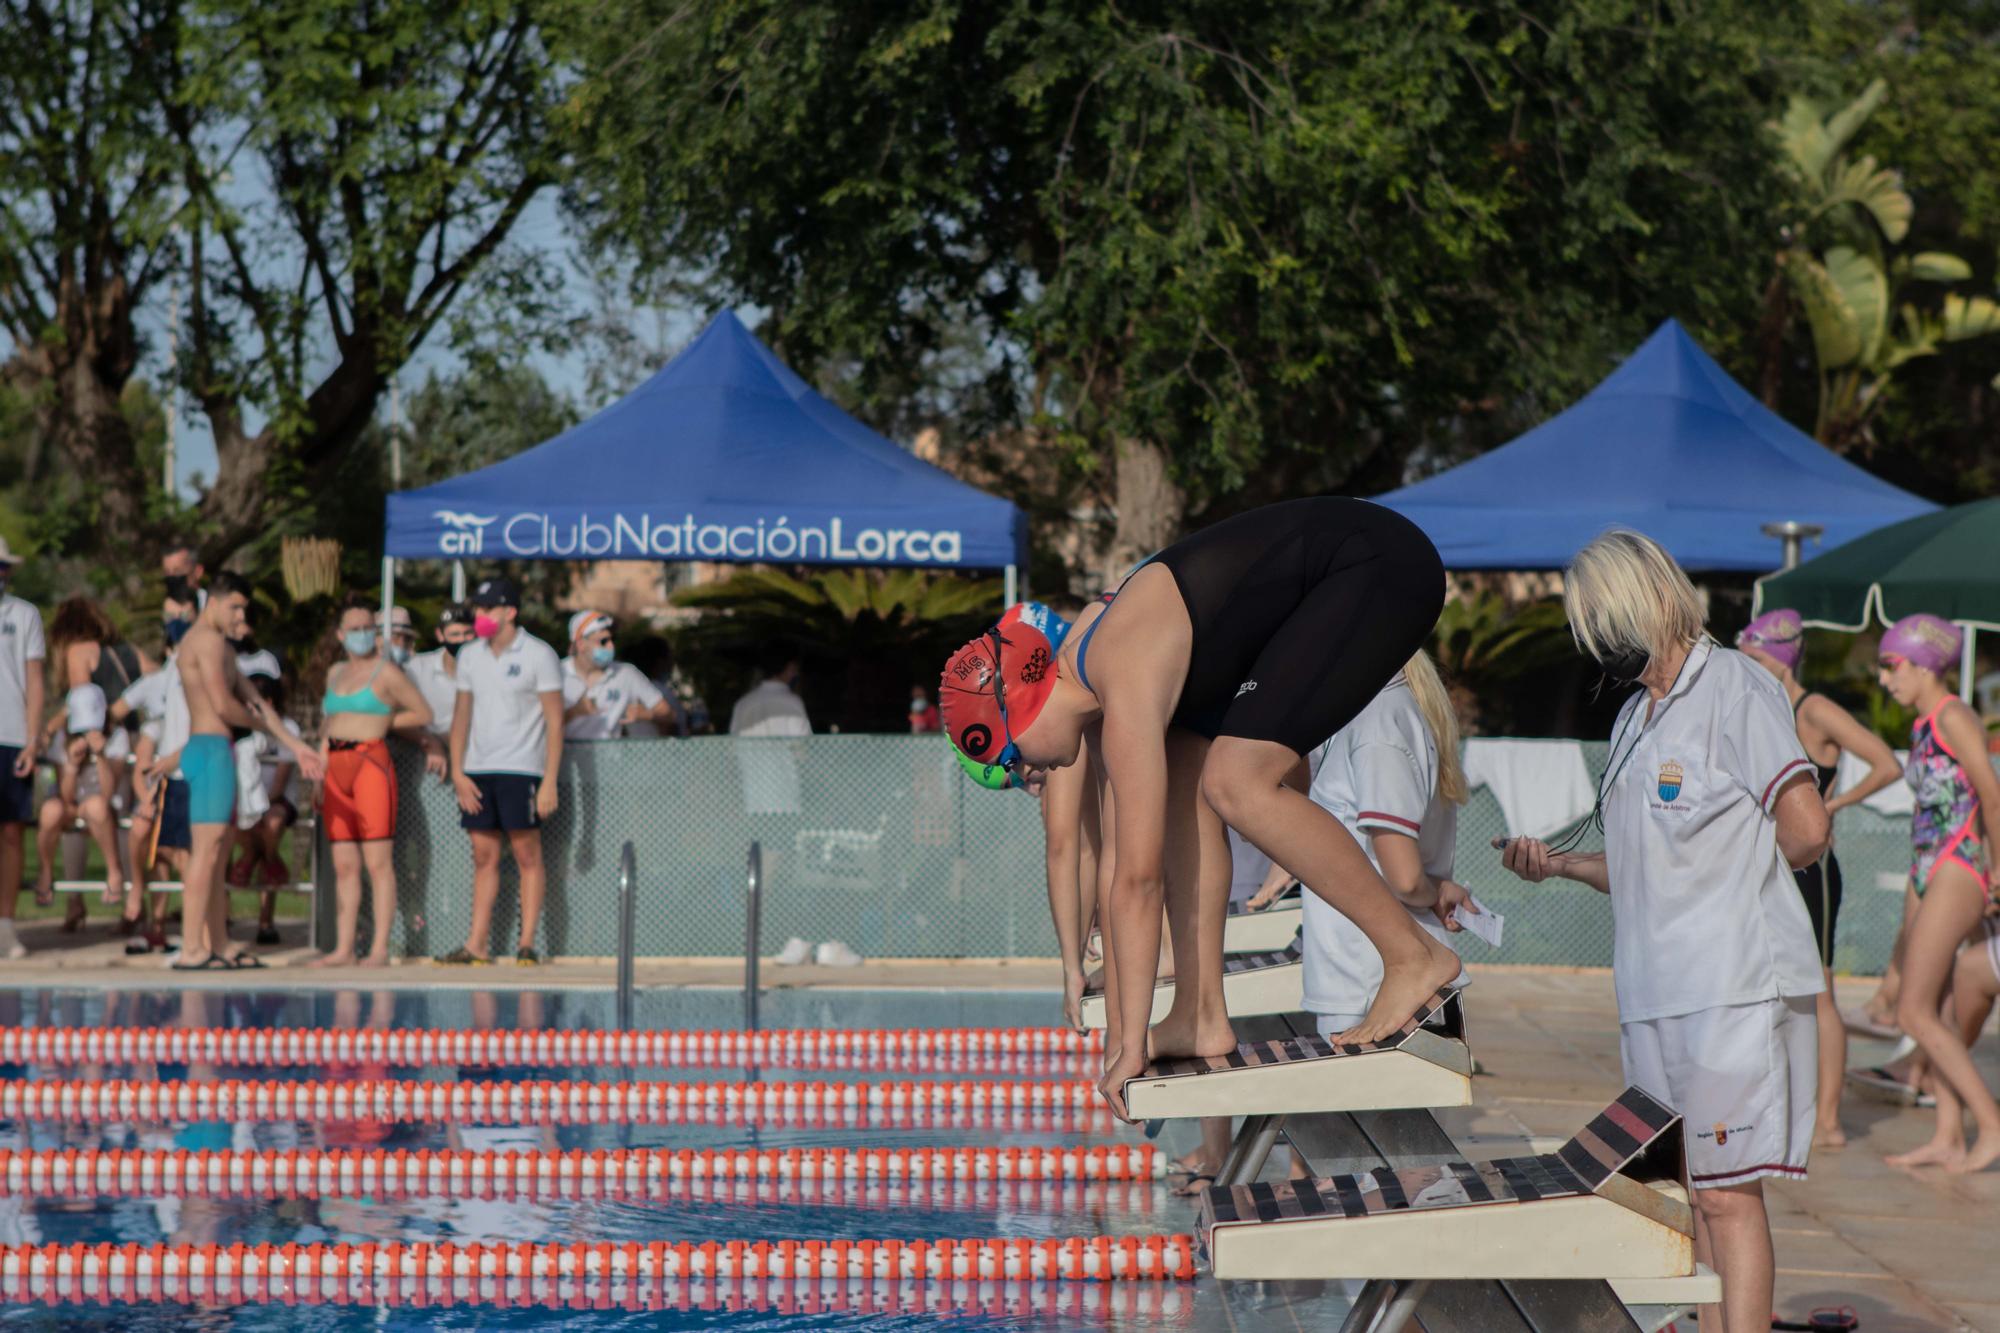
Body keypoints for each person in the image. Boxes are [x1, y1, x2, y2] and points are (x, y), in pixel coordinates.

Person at [941, 498, 1453, 1118]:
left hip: (1375, 564)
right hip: (1350, 568)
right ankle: (1199, 1012)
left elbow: (1139, 877)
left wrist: (1131, 1044)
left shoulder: (1119, 667)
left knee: (1238, 781)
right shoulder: (1095, 684)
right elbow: (1117, 867)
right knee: (1195, 789)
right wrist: (1121, 1034)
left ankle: (1413, 955)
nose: (1027, 774)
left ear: (1019, 706)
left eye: (1012, 758)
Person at [1496, 529, 1829, 1333]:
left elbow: (1807, 829)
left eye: (1604, 618)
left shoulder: (1736, 688)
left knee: (1728, 1193)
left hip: (1729, 986)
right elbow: (1642, 863)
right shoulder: (1633, 722)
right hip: (1651, 992)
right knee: (1690, 1195)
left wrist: (1731, 891)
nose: (1599, 640)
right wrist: (1561, 866)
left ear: (1647, 600)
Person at [1736, 608, 1903, 1149]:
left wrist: (1833, 803)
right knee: (1769, 987)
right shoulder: (1756, 705)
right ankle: (1782, 1106)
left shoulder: (1814, 709)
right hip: (1769, 863)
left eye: (1758, 658)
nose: (1749, 666)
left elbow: (1886, 763)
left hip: (1813, 870)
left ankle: (1828, 1120)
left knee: (1821, 992)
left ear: (1780, 659)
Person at [1867, 613, 2000, 1173]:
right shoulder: (1923, 727)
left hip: (1959, 865)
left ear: (1924, 666)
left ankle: (1990, 1124)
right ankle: (1947, 1134)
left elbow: (1992, 793)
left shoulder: (1953, 716)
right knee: (1938, 1008)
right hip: (1929, 866)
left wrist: (1999, 870)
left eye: (1891, 666)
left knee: (1914, 1012)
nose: (1883, 679)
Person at [170, 571, 325, 970]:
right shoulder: (204, 641)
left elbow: (258, 703)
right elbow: (225, 707)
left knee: (219, 853)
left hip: (220, 751)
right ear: (215, 601)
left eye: (244, 607)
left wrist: (298, 747)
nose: (241, 614)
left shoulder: (223, 647)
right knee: (205, 852)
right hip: (208, 750)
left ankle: (219, 943)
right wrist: (258, 725)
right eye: (235, 606)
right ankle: (191, 948)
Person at [444, 576, 563, 966]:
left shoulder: (539, 654)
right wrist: (459, 771)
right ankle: (476, 943)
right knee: (483, 856)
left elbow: (554, 722)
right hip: (479, 768)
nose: (479, 616)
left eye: (486, 609)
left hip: (522, 767)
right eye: (476, 609)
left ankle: (526, 942)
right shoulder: (470, 656)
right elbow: (461, 715)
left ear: (509, 612)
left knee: (527, 855)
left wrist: (548, 781)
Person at [311, 596, 432, 966]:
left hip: (369, 765)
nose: (363, 635)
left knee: (378, 863)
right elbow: (327, 725)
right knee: (344, 864)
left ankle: (380, 946)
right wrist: (319, 766)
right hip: (336, 766)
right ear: (341, 634)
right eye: (356, 629)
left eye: (368, 628)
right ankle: (344, 947)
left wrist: (381, 721)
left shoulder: (387, 673)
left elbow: (422, 712)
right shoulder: (335, 674)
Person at [0, 538, 45, 961]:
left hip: (13, 737)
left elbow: (34, 680)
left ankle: (6, 926)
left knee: (12, 833)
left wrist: (33, 739)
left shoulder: (24, 614)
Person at [560, 611, 673, 740]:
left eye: (612, 639)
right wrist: (573, 713)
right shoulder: (556, 673)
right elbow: (538, 726)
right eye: (603, 641)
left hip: (612, 758)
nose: (611, 646)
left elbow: (669, 715)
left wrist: (646, 714)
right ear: (581, 644)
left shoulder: (627, 673)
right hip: (569, 758)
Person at [407, 603, 474, 778]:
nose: (461, 640)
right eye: (455, 634)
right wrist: (430, 740)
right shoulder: (417, 668)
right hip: (424, 765)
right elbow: (395, 715)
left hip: (474, 763)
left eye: (468, 634)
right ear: (440, 635)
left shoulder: (488, 670)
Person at [730, 653, 810, 736]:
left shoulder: (743, 703)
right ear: (788, 668)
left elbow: (734, 738)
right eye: (794, 669)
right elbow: (803, 740)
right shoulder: (793, 702)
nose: (796, 674)